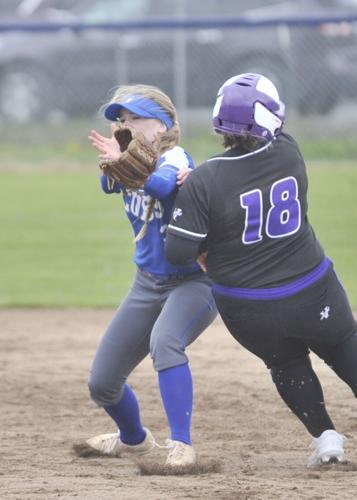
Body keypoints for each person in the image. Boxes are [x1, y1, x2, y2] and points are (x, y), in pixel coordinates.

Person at [164, 73, 357, 467]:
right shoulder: (289, 152)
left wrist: (186, 198)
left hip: (247, 305)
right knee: (343, 340)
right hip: (312, 286)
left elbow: (177, 251)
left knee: (286, 363)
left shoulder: (204, 180)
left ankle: (327, 440)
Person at [80, 84, 218, 468]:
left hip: (193, 282)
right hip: (147, 282)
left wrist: (130, 162)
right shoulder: (128, 157)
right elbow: (108, 184)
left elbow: (159, 184)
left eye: (137, 117)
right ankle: (134, 440)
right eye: (123, 120)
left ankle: (182, 445)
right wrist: (119, 159)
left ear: (164, 124)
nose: (127, 125)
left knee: (166, 342)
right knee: (102, 384)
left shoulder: (175, 157)